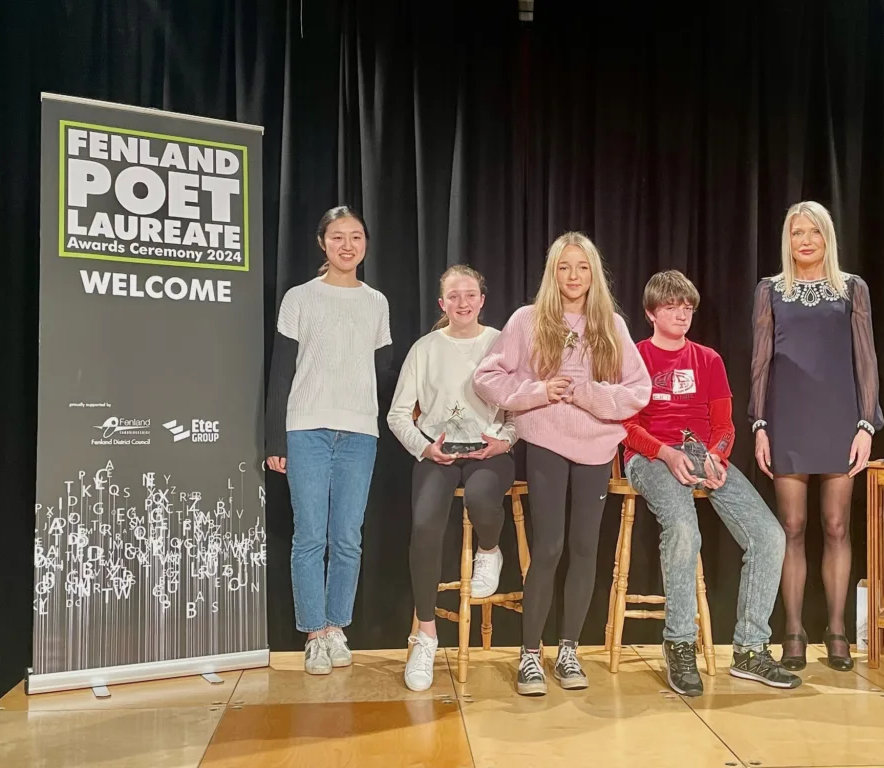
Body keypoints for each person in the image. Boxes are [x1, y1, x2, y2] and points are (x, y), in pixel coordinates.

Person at [473, 231, 651, 696]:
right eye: (565, 267)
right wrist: (537, 391)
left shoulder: (611, 324)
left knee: (586, 548)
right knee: (548, 546)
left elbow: (638, 390)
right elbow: (487, 376)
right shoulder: (528, 319)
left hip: (595, 447)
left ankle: (568, 649)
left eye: (582, 267)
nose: (574, 276)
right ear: (554, 272)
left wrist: (590, 394)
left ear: (594, 274)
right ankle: (530, 654)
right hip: (547, 442)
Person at [622, 270, 800, 696]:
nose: (682, 314)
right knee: (684, 527)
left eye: (687, 307)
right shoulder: (635, 357)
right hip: (650, 455)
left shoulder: (709, 359)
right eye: (671, 307)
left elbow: (723, 424)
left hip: (704, 454)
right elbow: (624, 425)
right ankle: (680, 644)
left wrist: (717, 456)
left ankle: (750, 650)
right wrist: (665, 453)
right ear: (651, 313)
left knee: (770, 536)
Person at [749, 200, 883, 672]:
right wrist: (759, 423)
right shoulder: (770, 290)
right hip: (787, 419)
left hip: (839, 420)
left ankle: (837, 629)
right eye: (796, 233)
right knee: (792, 528)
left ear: (828, 238)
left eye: (813, 232)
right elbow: (761, 360)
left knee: (836, 526)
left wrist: (867, 422)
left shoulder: (852, 289)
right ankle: (793, 630)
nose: (804, 241)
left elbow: (865, 359)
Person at [265, 205, 393, 676]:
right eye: (337, 236)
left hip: (360, 431)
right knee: (309, 536)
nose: (347, 245)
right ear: (323, 243)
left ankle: (338, 626)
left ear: (365, 244)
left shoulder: (376, 302)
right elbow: (281, 372)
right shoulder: (300, 298)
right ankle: (314, 634)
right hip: (306, 429)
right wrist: (274, 439)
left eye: (355, 236)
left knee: (347, 538)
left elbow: (383, 370)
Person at [387, 265, 518, 692]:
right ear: (443, 304)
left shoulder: (501, 343)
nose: (463, 303)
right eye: (454, 297)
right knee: (425, 525)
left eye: (470, 295)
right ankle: (425, 635)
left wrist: (505, 441)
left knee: (482, 496)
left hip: (490, 450)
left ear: (482, 299)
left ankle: (490, 549)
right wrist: (425, 447)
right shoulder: (424, 349)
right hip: (439, 453)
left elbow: (520, 408)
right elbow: (398, 413)